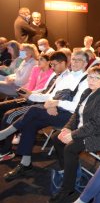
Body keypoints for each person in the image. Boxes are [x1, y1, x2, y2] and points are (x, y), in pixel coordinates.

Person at [0, 51, 89, 182]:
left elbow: (78, 106)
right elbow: (51, 95)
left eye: (79, 60)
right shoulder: (66, 77)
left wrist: (56, 103)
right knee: (31, 122)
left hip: (71, 117)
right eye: (74, 59)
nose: (75, 62)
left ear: (86, 64)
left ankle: (5, 133)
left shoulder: (86, 80)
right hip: (56, 110)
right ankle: (25, 163)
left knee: (34, 109)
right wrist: (32, 96)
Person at [48, 67, 100, 203]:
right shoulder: (87, 92)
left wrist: (73, 135)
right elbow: (76, 114)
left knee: (70, 147)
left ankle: (67, 189)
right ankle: (70, 173)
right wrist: (67, 129)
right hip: (84, 130)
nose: (91, 80)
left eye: (96, 78)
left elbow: (97, 124)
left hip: (99, 135)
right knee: (56, 138)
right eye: (90, 77)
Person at [0, 51, 70, 162]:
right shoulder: (56, 75)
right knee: (4, 108)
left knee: (10, 115)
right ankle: (19, 157)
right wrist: (30, 93)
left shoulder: (68, 77)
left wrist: (33, 96)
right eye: (51, 64)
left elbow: (55, 97)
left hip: (45, 105)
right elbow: (46, 91)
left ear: (63, 63)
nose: (52, 67)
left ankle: (5, 149)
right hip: (40, 100)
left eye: (54, 64)